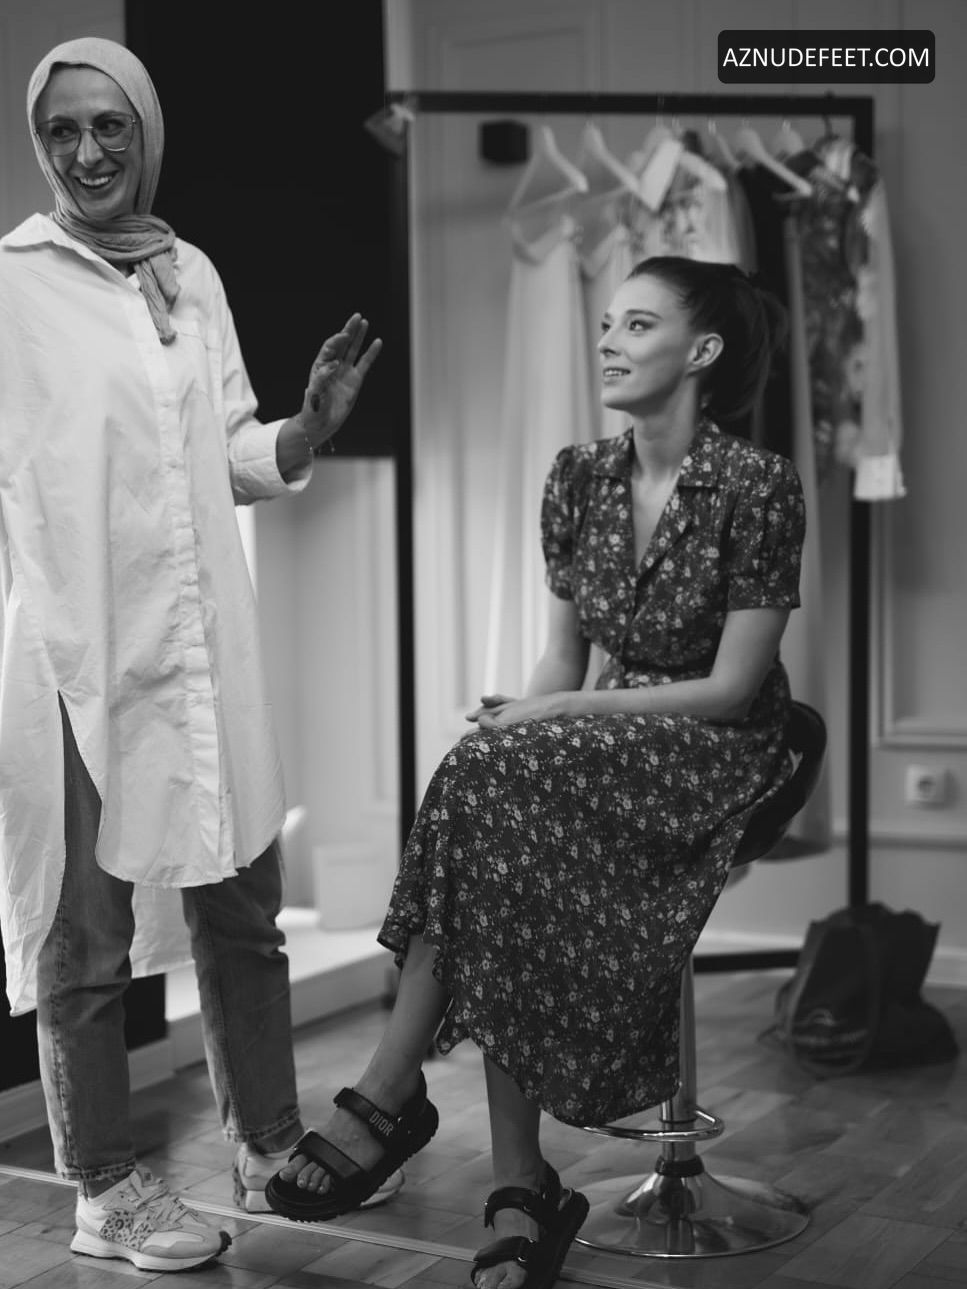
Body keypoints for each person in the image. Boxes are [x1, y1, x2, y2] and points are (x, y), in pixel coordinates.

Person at [263, 255, 806, 1289]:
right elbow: (561, 658)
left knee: (498, 780)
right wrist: (525, 714)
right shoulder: (576, 475)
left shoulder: (757, 483)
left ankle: (398, 1096)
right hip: (605, 735)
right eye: (606, 323)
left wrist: (557, 713)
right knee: (486, 773)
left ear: (701, 351)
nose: (607, 340)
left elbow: (732, 687)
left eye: (636, 325)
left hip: (719, 745)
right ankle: (515, 1178)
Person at [0, 36, 395, 1274]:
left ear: (148, 132)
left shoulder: (191, 273)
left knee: (241, 899)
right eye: (61, 130)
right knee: (87, 934)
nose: (87, 151)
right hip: (78, 648)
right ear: (40, 144)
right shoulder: (11, 285)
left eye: (108, 125)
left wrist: (305, 427)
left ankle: (267, 1141)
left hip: (199, 632)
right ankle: (104, 1189)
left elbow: (227, 453)